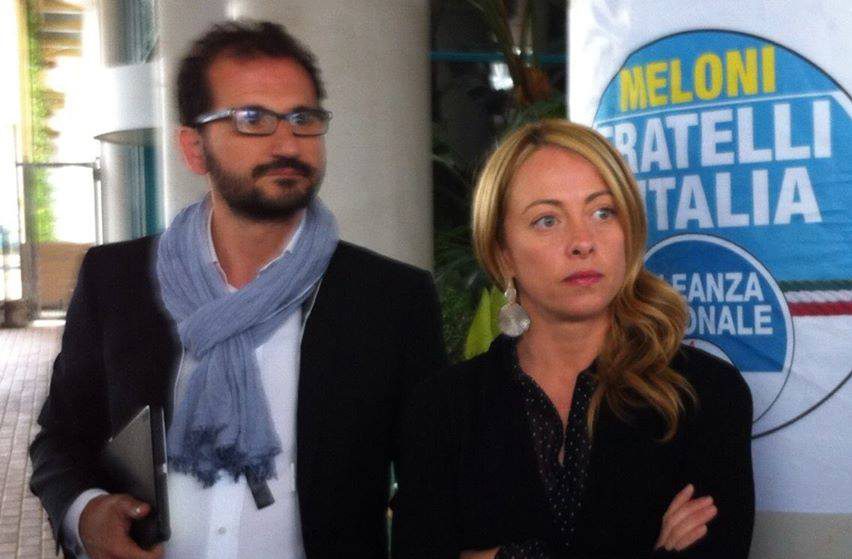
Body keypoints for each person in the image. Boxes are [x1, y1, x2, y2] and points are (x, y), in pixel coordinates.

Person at [29, 20, 446, 559]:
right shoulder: (116, 281)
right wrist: (85, 514)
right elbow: (61, 438)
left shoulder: (391, 300)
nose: (287, 142)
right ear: (194, 148)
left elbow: (432, 485)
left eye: (303, 118)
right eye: (252, 119)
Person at [391, 119, 754, 558]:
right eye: (547, 220)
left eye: (603, 212)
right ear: (503, 253)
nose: (583, 242)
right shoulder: (442, 408)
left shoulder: (705, 395)